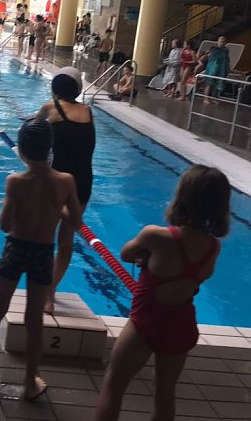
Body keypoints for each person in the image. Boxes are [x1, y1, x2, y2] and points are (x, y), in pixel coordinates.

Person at [94, 166, 230, 421]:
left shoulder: (156, 235)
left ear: (183, 196)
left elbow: (125, 254)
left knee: (114, 384)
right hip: (182, 324)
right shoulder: (213, 246)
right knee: (165, 393)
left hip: (147, 322)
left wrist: (147, 255)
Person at [0, 119, 82, 401]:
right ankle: (29, 382)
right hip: (42, 253)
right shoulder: (65, 181)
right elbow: (75, 221)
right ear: (50, 149)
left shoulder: (15, 181)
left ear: (22, 151)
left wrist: (7, 203)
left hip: (15, 248)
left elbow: (4, 225)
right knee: (34, 319)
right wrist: (57, 209)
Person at [36, 67, 95, 314]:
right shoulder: (88, 111)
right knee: (66, 240)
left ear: (54, 88)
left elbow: (30, 129)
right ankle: (51, 293)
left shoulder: (51, 108)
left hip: (57, 181)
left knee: (46, 238)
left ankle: (44, 295)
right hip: (83, 181)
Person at [203, 36, 230, 105]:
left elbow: (227, 60)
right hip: (212, 68)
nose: (222, 43)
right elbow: (209, 56)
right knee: (209, 84)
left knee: (217, 85)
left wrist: (227, 68)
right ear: (217, 42)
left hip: (221, 69)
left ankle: (213, 98)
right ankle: (206, 98)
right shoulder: (213, 49)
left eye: (224, 42)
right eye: (221, 41)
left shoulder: (225, 50)